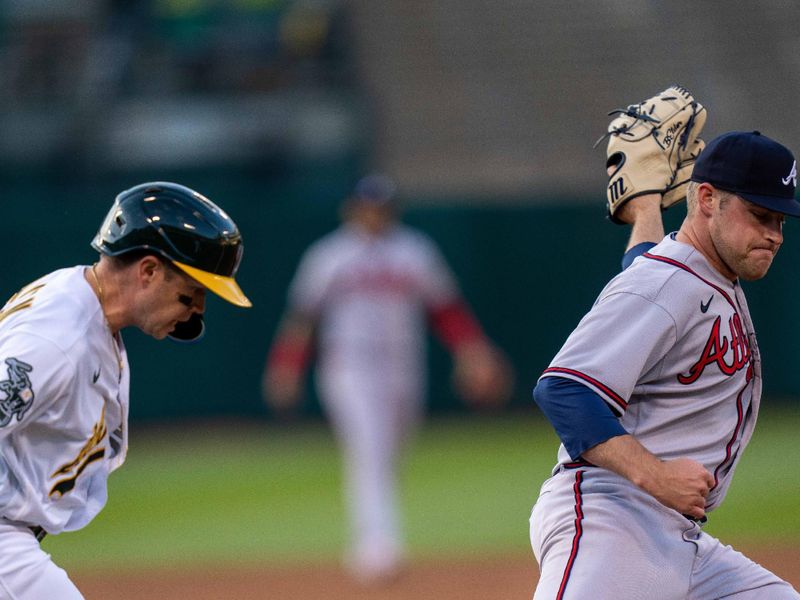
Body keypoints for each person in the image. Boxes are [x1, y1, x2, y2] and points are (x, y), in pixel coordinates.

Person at [530, 130, 800, 599]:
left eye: (780, 220)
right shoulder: (666, 282)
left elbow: (645, 269)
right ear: (707, 198)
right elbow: (563, 390)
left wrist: (646, 206)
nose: (773, 235)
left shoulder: (695, 273)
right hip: (611, 521)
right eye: (760, 215)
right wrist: (655, 474)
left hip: (676, 535)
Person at [0, 181, 252, 599]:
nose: (199, 310)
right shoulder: (60, 339)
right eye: (192, 294)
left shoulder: (82, 301)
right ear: (149, 271)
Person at [262, 173, 513, 583]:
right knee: (370, 446)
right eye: (368, 206)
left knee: (390, 449)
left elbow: (446, 309)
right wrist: (286, 365)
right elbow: (303, 318)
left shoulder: (414, 250)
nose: (375, 214)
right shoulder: (329, 256)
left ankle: (375, 536)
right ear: (352, 209)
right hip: (349, 365)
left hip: (403, 365)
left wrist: (474, 352)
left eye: (382, 207)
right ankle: (377, 548)